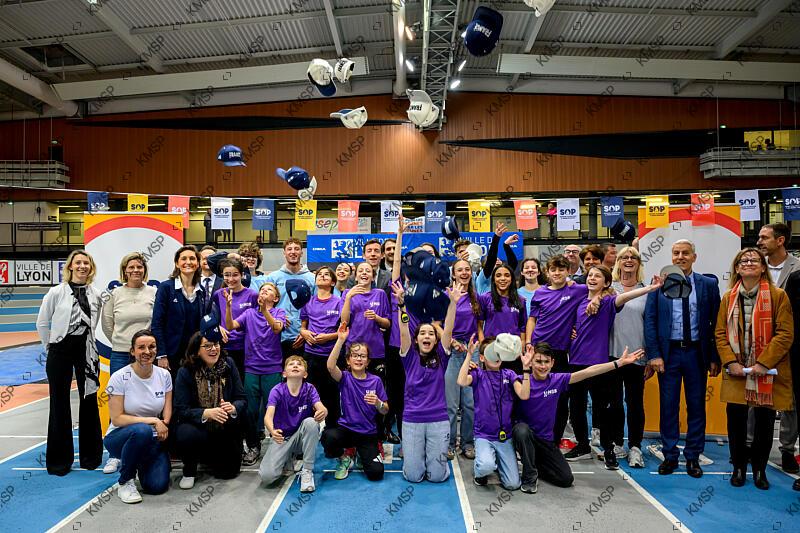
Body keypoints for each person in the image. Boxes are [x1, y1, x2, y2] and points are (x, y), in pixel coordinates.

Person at [512, 342, 644, 494]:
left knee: (565, 479)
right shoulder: (521, 381)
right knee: (521, 430)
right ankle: (529, 477)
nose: (543, 366)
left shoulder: (556, 380)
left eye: (546, 362)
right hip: (525, 437)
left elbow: (589, 371)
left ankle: (535, 464)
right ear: (531, 362)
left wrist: (618, 363)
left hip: (545, 441)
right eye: (538, 361)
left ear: (552, 363)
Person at [564, 265, 661, 468]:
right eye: (590, 275)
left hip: (599, 363)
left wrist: (650, 289)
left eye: (597, 276)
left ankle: (609, 449)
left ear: (607, 282)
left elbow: (625, 297)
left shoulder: (609, 302)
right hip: (575, 362)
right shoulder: (579, 302)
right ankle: (583, 446)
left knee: (603, 409)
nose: (592, 278)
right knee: (576, 408)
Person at [716, 248, 793, 490]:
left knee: (764, 423)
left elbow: (785, 334)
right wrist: (731, 362)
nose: (749, 263)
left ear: (762, 268)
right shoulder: (728, 298)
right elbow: (720, 334)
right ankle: (738, 468)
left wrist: (763, 363)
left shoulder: (779, 296)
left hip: (767, 372)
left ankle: (760, 470)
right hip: (736, 371)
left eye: (754, 260)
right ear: (737, 268)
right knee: (736, 422)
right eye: (744, 260)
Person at [644, 239, 721, 478]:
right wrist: (654, 354)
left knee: (696, 406)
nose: (680, 257)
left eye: (685, 253)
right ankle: (669, 455)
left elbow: (716, 323)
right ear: (671, 256)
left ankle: (693, 456)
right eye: (676, 253)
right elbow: (650, 320)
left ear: (694, 257)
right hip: (669, 354)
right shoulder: (659, 285)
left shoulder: (708, 284)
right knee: (668, 406)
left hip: (697, 353)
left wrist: (714, 356)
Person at [36, 250, 103, 476]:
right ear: (70, 266)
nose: (82, 266)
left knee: (89, 400)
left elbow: (95, 324)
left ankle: (91, 458)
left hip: (86, 349)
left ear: (90, 267)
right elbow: (42, 322)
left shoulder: (96, 294)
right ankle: (59, 462)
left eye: (86, 263)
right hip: (60, 349)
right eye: (78, 262)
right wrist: (50, 346)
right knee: (59, 402)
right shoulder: (56, 292)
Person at [394, 281, 460, 483]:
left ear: (435, 340)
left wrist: (453, 303)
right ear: (416, 340)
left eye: (431, 333)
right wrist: (402, 305)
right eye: (422, 333)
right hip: (412, 420)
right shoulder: (409, 356)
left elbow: (448, 329)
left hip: (438, 420)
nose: (427, 336)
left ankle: (432, 459)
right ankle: (415, 457)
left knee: (437, 477)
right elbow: (403, 328)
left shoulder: (442, 355)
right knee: (414, 476)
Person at [526, 255, 588, 444]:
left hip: (560, 353)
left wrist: (595, 301)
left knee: (560, 398)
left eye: (561, 269)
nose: (557, 273)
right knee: (534, 395)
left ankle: (554, 441)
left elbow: (600, 290)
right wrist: (528, 342)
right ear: (547, 272)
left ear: (568, 271)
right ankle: (532, 437)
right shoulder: (540, 293)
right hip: (538, 349)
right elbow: (532, 319)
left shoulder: (578, 290)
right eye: (553, 269)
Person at [104, 330, 172, 503]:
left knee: (157, 486)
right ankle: (125, 481)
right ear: (132, 351)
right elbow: (117, 419)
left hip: (152, 437)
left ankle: (137, 460)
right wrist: (153, 420)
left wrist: (163, 424)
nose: (147, 351)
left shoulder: (164, 375)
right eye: (141, 347)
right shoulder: (119, 377)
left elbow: (167, 413)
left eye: (152, 347)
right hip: (119, 437)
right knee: (142, 431)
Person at [172, 332, 247, 489]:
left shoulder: (229, 364)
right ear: (197, 351)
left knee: (228, 473)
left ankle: (211, 457)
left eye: (216, 344)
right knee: (186, 433)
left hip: (222, 424)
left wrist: (233, 407)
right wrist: (206, 413)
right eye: (207, 346)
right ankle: (189, 469)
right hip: (196, 426)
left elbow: (241, 398)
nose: (214, 349)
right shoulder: (185, 371)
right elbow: (180, 410)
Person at [457, 336, 532, 491]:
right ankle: (481, 472)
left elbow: (524, 395)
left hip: (504, 437)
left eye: (498, 353)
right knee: (486, 466)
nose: (495, 356)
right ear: (482, 358)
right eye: (491, 353)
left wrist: (526, 368)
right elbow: (461, 381)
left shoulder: (509, 374)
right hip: (484, 436)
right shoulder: (478, 374)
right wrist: (469, 355)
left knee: (512, 484)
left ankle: (496, 459)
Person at [225, 282, 287, 466]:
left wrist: (265, 310)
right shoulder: (249, 313)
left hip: (272, 368)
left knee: (275, 409)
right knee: (250, 411)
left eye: (268, 290)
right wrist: (228, 307)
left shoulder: (279, 312)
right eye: (262, 290)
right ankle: (254, 446)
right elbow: (230, 325)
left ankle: (281, 446)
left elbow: (276, 328)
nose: (263, 292)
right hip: (251, 368)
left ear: (275, 298)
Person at [757, 223, 800, 473]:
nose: (759, 242)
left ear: (780, 240)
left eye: (764, 238)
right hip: (758, 341)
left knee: (789, 399)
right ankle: (749, 446)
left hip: (789, 342)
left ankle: (787, 449)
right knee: (753, 394)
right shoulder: (754, 266)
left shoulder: (797, 268)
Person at [322, 325, 388, 481]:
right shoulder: (344, 378)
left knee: (376, 473)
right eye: (355, 356)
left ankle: (360, 455)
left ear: (368, 361)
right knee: (328, 437)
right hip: (347, 430)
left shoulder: (376, 381)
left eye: (363, 356)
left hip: (368, 433)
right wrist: (340, 340)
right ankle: (344, 458)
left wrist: (378, 403)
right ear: (348, 360)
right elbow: (330, 366)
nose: (359, 359)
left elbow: (385, 410)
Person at [259, 356, 327, 492]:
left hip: (301, 437)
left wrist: (323, 411)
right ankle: (287, 458)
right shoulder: (277, 390)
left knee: (311, 422)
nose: (295, 366)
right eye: (291, 364)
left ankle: (307, 471)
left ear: (305, 374)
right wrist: (272, 431)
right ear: (284, 373)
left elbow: (321, 408)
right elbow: (268, 416)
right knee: (267, 477)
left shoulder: (309, 389)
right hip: (282, 437)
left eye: (299, 364)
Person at [608, 246, 649, 467]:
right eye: (624, 257)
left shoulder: (647, 290)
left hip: (637, 355)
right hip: (611, 355)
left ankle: (635, 446)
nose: (629, 260)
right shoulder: (609, 289)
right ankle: (616, 443)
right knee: (614, 403)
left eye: (633, 257)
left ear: (639, 263)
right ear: (618, 262)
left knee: (634, 403)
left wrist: (651, 356)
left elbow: (651, 324)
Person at [440, 258, 481, 460]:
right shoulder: (445, 295)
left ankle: (467, 443)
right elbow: (436, 324)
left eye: (467, 269)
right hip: (452, 352)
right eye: (460, 270)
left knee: (470, 403)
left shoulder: (476, 297)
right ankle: (449, 443)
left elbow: (480, 326)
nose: (464, 273)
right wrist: (452, 341)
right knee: (451, 403)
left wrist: (480, 349)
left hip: (472, 351)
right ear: (453, 274)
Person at [151, 245, 207, 379]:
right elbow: (157, 323)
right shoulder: (166, 288)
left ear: (198, 263)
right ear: (177, 263)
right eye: (184, 259)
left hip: (194, 355)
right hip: (171, 355)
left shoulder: (202, 291)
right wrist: (161, 355)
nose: (188, 262)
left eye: (192, 258)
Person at [255, 238, 316, 360]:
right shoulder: (273, 277)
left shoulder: (312, 278)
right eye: (289, 249)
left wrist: (305, 330)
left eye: (296, 249)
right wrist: (278, 316)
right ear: (284, 253)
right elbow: (265, 305)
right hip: (278, 335)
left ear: (302, 252)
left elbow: (315, 307)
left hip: (304, 334)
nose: (293, 252)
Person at [102, 252, 158, 377]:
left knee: (145, 388)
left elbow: (159, 322)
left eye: (139, 267)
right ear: (125, 271)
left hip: (146, 354)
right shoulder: (113, 294)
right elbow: (107, 325)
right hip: (120, 355)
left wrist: (146, 346)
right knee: (119, 388)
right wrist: (122, 342)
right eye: (131, 267)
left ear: (144, 270)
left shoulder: (155, 292)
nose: (136, 270)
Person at [300, 266, 342, 426]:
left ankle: (332, 430)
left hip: (331, 356)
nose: (322, 276)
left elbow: (345, 330)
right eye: (319, 274)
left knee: (331, 395)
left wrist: (328, 337)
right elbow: (303, 326)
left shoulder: (339, 302)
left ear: (333, 282)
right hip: (311, 355)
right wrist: (304, 333)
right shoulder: (308, 301)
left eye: (326, 275)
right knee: (310, 394)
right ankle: (310, 428)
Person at [341, 263, 391, 381]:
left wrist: (377, 318)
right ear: (356, 277)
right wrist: (348, 298)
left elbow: (388, 324)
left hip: (375, 350)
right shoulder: (347, 293)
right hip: (353, 348)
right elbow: (344, 321)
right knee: (352, 384)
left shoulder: (380, 294)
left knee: (376, 385)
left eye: (368, 271)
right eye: (361, 271)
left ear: (373, 277)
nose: (364, 273)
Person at [214, 258, 258, 379]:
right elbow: (211, 316)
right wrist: (217, 326)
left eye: (235, 275)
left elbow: (261, 316)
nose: (231, 279)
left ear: (242, 275)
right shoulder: (219, 294)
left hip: (246, 347)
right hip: (225, 345)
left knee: (242, 382)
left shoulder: (252, 295)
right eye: (227, 275)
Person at [478, 264, 527, 346]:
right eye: (498, 276)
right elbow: (479, 324)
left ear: (512, 279)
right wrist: (483, 344)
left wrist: (522, 345)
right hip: (491, 346)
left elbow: (522, 327)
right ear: (493, 279)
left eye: (507, 275)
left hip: (513, 347)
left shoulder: (520, 300)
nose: (503, 278)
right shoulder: (485, 298)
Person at [476, 222, 519, 295]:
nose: (497, 260)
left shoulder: (502, 279)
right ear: (484, 265)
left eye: (498, 259)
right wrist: (497, 237)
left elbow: (513, 263)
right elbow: (491, 260)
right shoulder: (483, 278)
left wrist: (506, 245)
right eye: (495, 260)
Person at [199, 246, 223, 315]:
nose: (208, 261)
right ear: (199, 261)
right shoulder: (192, 280)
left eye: (212, 258)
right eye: (205, 258)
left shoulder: (225, 281)